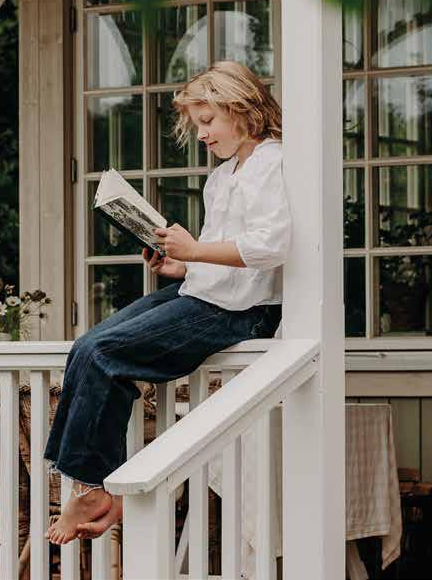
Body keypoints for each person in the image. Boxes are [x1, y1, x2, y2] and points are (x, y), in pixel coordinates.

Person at [44, 60, 291, 543]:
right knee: (87, 345)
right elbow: (219, 254)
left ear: (242, 109)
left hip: (243, 310)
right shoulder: (223, 175)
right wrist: (183, 264)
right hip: (206, 291)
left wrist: (194, 250)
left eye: (207, 121)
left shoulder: (273, 162)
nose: (201, 134)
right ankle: (86, 484)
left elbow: (271, 246)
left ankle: (91, 488)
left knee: (105, 353)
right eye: (196, 124)